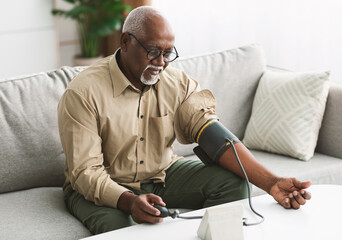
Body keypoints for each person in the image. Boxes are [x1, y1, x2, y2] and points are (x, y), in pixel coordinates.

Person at [57, 6, 311, 235]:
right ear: (125, 41)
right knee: (124, 230)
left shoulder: (177, 83)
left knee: (234, 183)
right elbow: (85, 172)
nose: (160, 63)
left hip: (161, 174)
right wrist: (128, 201)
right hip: (101, 186)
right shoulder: (83, 92)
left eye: (168, 53)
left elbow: (214, 137)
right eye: (153, 51)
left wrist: (272, 183)